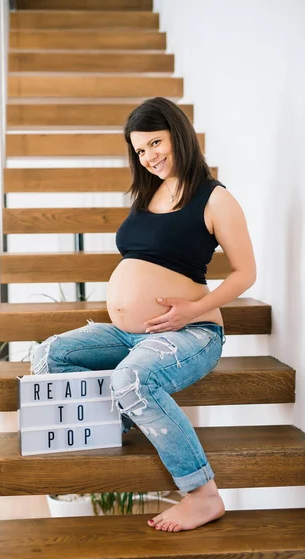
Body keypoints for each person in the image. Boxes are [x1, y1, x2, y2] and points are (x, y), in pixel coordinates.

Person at [31, 96, 256, 533]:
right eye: (140, 150)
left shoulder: (215, 197)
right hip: (130, 334)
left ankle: (203, 494)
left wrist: (193, 309)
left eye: (156, 142)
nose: (150, 156)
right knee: (49, 355)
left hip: (191, 332)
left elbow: (246, 273)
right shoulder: (148, 191)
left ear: (179, 134)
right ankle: (115, 426)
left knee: (130, 379)